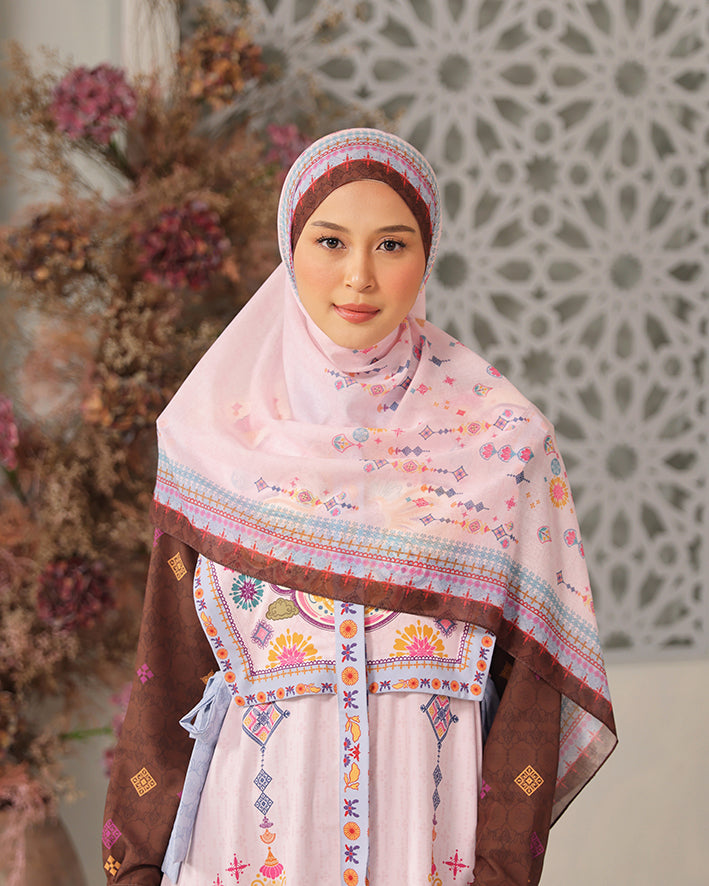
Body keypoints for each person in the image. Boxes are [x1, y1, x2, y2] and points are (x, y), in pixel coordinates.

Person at [102, 128, 616, 886]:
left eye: (391, 245)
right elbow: (166, 675)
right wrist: (135, 868)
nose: (359, 276)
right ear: (290, 248)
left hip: (427, 852)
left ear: (426, 256)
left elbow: (533, 692)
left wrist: (501, 871)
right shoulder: (214, 442)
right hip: (245, 849)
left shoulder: (505, 449)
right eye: (331, 241)